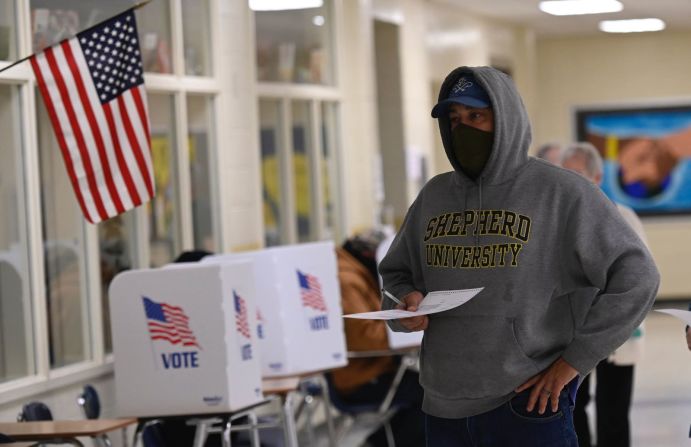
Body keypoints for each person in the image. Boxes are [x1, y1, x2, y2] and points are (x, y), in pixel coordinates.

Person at [378, 66, 660, 446]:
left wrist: (574, 363)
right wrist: (403, 306)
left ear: (505, 118)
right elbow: (396, 277)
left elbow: (637, 276)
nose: (464, 129)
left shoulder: (562, 193)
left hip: (528, 403)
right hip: (442, 404)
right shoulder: (435, 196)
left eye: (476, 116)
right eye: (454, 120)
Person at [562, 142, 648, 447]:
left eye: (577, 173)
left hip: (617, 334)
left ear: (597, 177)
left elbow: (642, 277)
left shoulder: (623, 216)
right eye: (565, 174)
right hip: (573, 335)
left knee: (613, 412)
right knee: (573, 409)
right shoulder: (561, 220)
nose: (570, 181)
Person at [332, 234, 425, 447]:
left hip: (371, 369)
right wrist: (405, 329)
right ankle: (378, 443)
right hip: (361, 378)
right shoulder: (346, 280)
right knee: (432, 395)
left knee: (430, 390)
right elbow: (362, 336)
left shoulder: (353, 273)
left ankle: (379, 441)